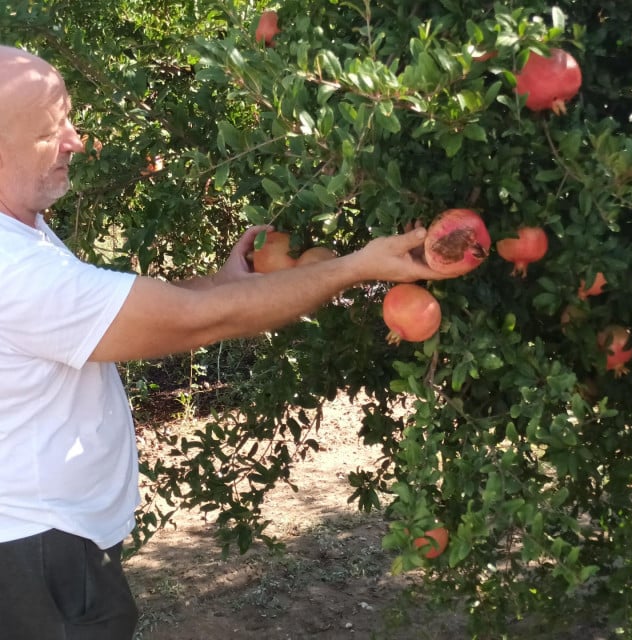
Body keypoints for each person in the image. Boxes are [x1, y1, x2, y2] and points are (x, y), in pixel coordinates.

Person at [0, 44, 442, 640]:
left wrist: (222, 283)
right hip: (33, 554)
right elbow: (193, 321)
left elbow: (136, 308)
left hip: (50, 538)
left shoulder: (21, 226)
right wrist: (355, 267)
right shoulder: (12, 268)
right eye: (52, 132)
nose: (76, 141)